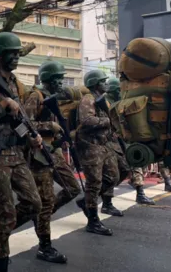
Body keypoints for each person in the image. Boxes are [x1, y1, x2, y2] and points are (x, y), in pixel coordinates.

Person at [0, 32, 42, 272]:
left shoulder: (14, 84)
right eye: (11, 53)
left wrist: (32, 137)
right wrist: (3, 105)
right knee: (5, 214)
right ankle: (0, 262)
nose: (16, 57)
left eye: (17, 53)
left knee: (34, 203)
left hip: (16, 154)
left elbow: (18, 120)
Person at [24, 60, 83, 263]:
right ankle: (45, 246)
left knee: (73, 188)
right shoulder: (35, 96)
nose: (60, 82)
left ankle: (42, 216)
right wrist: (50, 125)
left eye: (61, 78)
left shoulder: (52, 98)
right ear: (47, 79)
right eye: (56, 78)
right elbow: (25, 125)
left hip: (54, 151)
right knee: (46, 201)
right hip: (39, 154)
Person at [74, 70, 119, 236]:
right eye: (102, 81)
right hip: (90, 147)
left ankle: (86, 202)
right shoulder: (88, 99)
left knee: (113, 177)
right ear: (94, 83)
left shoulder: (102, 100)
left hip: (103, 145)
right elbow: (86, 121)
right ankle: (92, 220)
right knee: (94, 183)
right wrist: (107, 121)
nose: (106, 83)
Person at [104, 77, 155, 206]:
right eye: (118, 89)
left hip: (123, 139)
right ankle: (105, 198)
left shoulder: (120, 101)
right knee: (113, 171)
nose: (120, 91)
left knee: (134, 164)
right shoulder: (105, 102)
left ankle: (139, 191)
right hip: (109, 142)